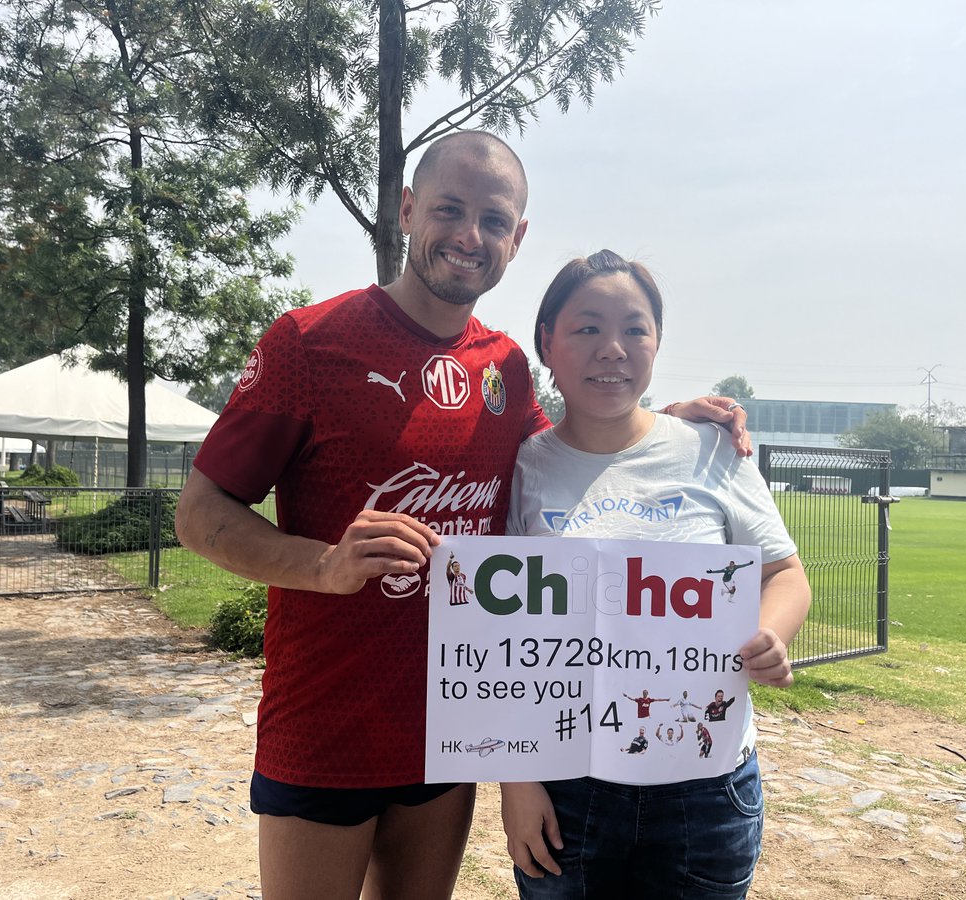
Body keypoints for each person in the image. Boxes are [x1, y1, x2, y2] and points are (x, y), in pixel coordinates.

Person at [174, 134, 753, 900]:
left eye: (493, 218)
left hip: (452, 729)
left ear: (517, 238)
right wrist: (321, 564)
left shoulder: (507, 369)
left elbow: (565, 454)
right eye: (449, 209)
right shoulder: (308, 341)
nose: (468, 235)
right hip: (325, 724)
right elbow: (199, 513)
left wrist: (658, 424)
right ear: (408, 211)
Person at [502, 249, 812, 898]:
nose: (612, 348)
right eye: (587, 328)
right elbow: (507, 645)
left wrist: (769, 636)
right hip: (566, 792)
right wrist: (518, 783)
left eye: (635, 329)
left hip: (705, 792)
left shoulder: (712, 450)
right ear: (547, 342)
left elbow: (785, 574)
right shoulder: (525, 466)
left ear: (657, 342)